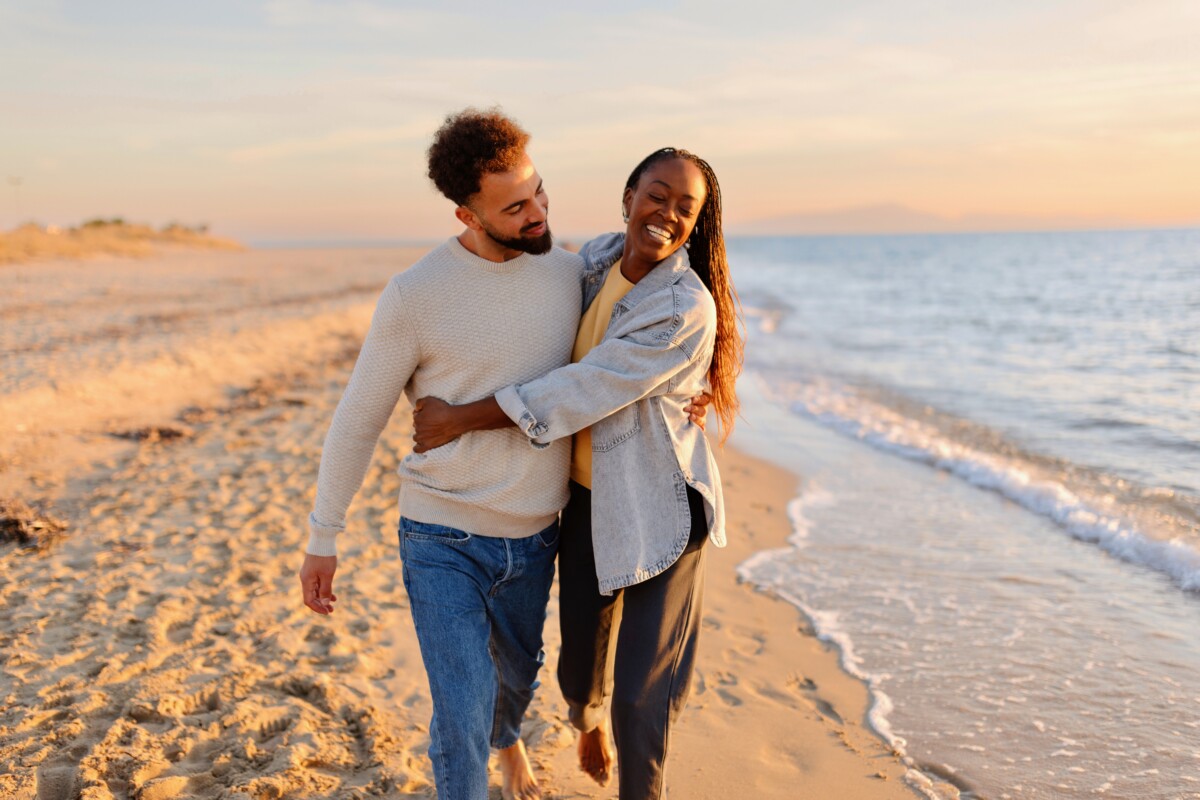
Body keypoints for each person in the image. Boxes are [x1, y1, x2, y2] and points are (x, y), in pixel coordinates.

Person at [297, 111, 709, 800]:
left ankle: (509, 737)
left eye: (540, 193)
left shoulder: (569, 270)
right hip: (441, 532)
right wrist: (322, 537)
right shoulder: (415, 295)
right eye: (515, 208)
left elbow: (634, 341)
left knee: (513, 683)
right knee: (459, 712)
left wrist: (698, 393)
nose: (537, 214)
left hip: (536, 534)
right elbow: (358, 419)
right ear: (465, 213)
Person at [412, 147, 743, 799]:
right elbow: (518, 278)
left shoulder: (683, 306)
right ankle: (585, 720)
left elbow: (586, 386)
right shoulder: (591, 261)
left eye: (686, 208)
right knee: (576, 672)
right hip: (590, 500)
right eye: (657, 194)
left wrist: (461, 418)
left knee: (641, 698)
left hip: (663, 509)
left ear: (697, 224)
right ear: (627, 198)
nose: (667, 214)